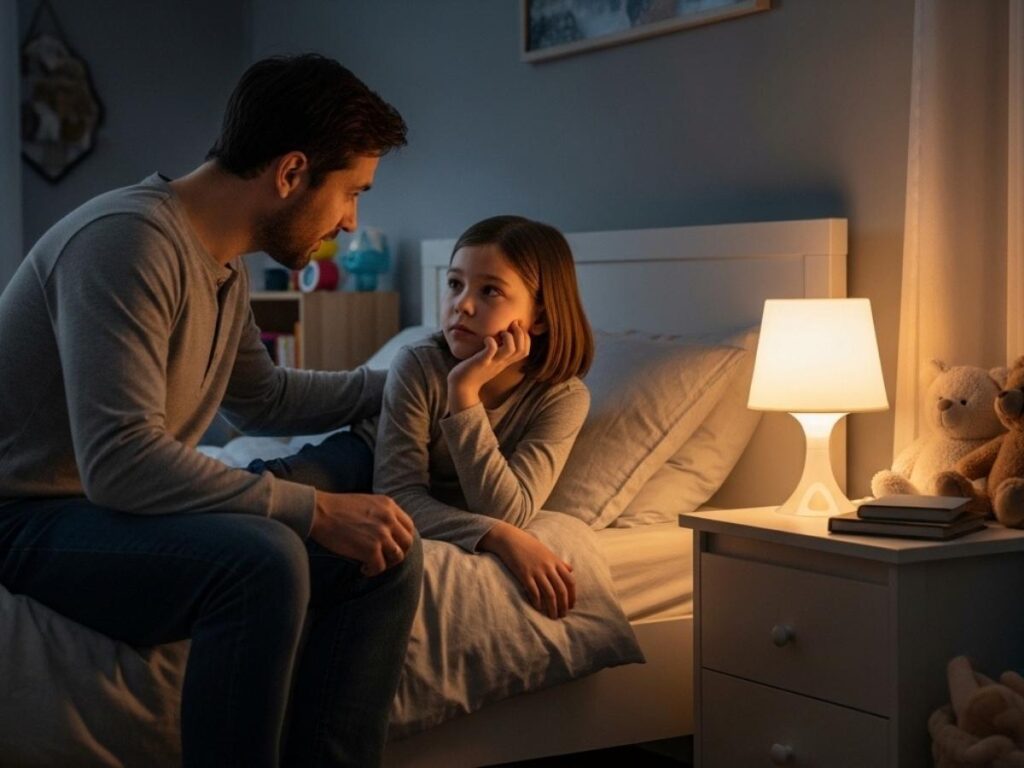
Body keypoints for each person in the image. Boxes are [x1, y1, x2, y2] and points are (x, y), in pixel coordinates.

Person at [0, 54, 422, 768]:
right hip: (24, 514)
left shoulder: (221, 264)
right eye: (353, 193)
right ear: (290, 174)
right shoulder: (128, 243)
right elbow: (121, 463)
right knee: (264, 561)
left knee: (385, 557)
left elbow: (263, 399)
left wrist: (408, 377)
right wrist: (314, 510)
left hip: (99, 510)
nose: (352, 222)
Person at [251, 215, 593, 620]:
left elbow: (508, 510)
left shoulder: (561, 399)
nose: (462, 304)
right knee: (266, 493)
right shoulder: (418, 362)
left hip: (420, 494)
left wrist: (464, 395)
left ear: (538, 316)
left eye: (490, 291)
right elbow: (401, 493)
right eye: (454, 284)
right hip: (366, 454)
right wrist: (497, 537)